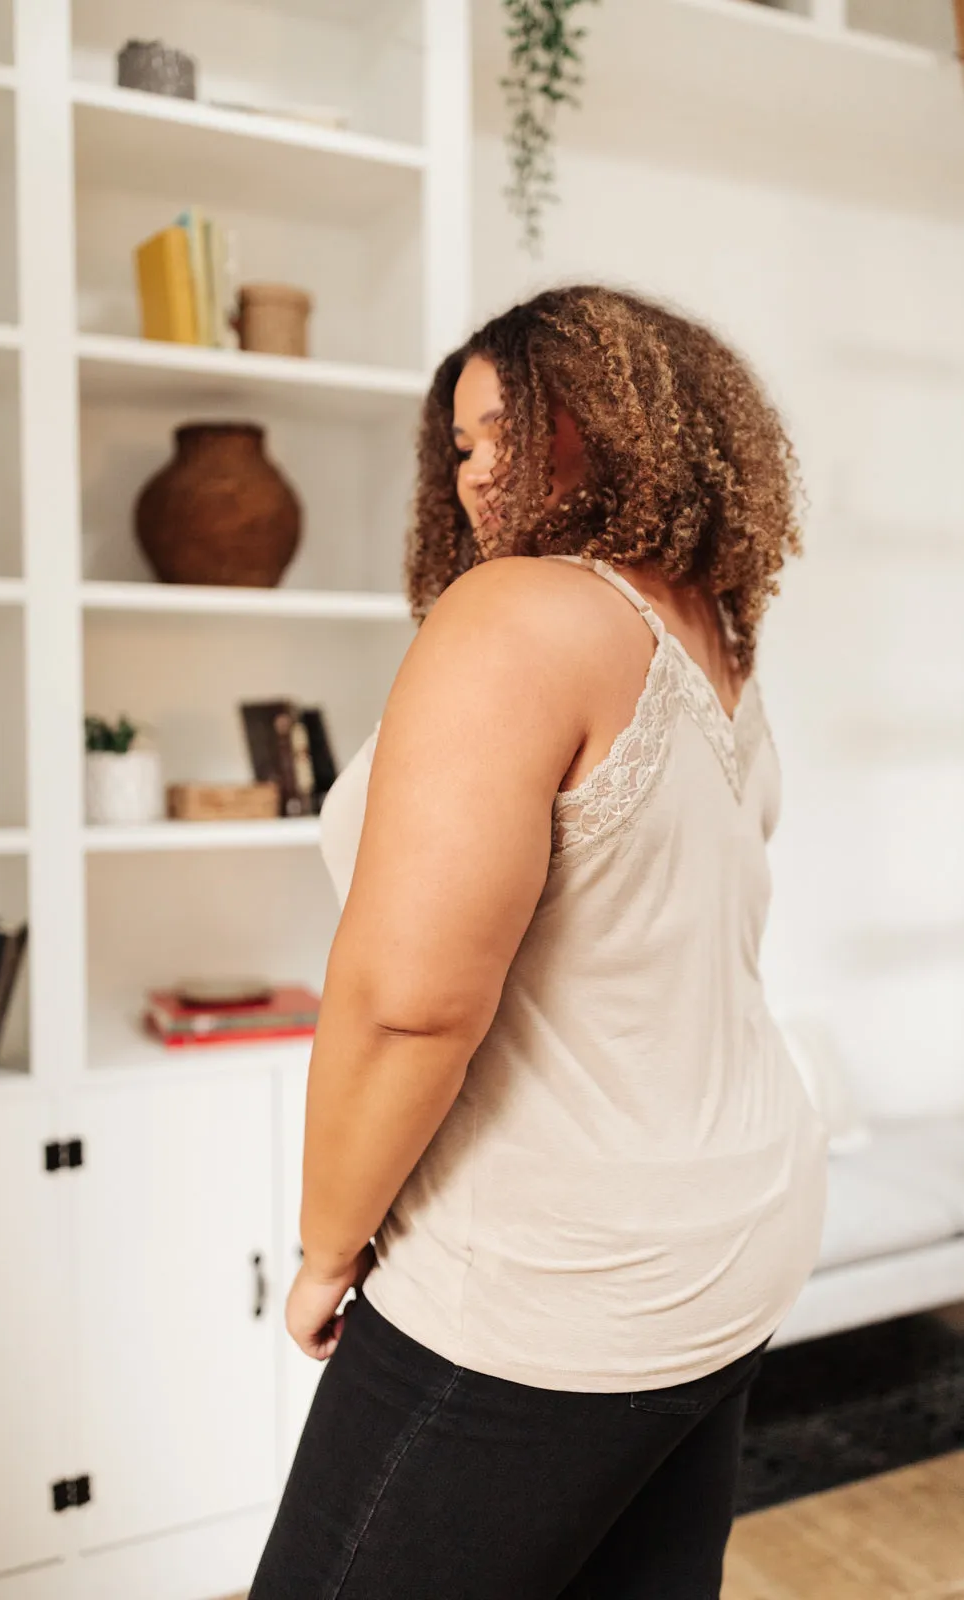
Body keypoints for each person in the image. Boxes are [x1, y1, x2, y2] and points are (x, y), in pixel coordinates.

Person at [248, 285, 827, 1599]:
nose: (475, 468)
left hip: (551, 1276)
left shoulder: (517, 614)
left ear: (623, 423)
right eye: (457, 443)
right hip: (734, 1231)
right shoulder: (703, 629)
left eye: (512, 424)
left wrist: (327, 1249)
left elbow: (409, 1007)